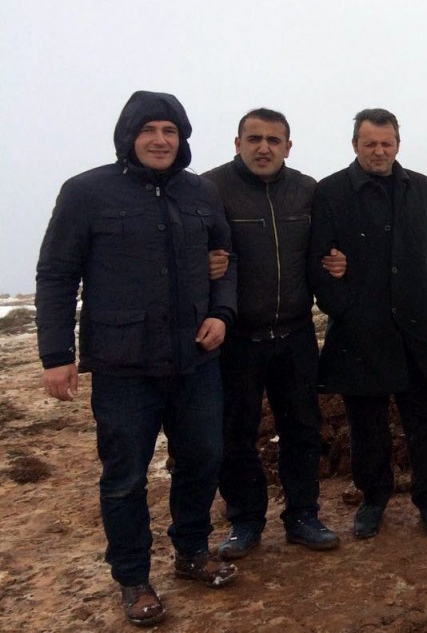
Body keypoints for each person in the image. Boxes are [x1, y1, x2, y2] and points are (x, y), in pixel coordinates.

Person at [36, 91, 239, 628]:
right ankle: (133, 578)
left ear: (183, 139)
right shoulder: (86, 193)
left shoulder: (202, 192)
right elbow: (57, 275)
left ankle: (192, 551)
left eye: (170, 131)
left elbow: (225, 260)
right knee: (125, 476)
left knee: (202, 458)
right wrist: (58, 355)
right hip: (123, 366)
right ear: (129, 136)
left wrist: (222, 312)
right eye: (149, 130)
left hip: (195, 361)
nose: (160, 140)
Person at [308, 108, 427, 540]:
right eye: (369, 143)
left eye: (386, 143)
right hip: (361, 331)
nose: (379, 151)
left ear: (398, 144)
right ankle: (373, 500)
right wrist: (343, 307)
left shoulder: (424, 190)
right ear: (355, 144)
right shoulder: (332, 192)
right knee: (367, 425)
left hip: (418, 330)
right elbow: (319, 261)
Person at [203, 109, 343, 560]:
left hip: (296, 333)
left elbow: (325, 247)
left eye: (274, 140)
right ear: (238, 142)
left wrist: (337, 264)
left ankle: (303, 516)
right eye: (255, 138)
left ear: (288, 145)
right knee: (235, 433)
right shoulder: (211, 188)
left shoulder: (307, 190)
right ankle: (245, 522)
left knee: (302, 428)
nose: (264, 147)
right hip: (237, 338)